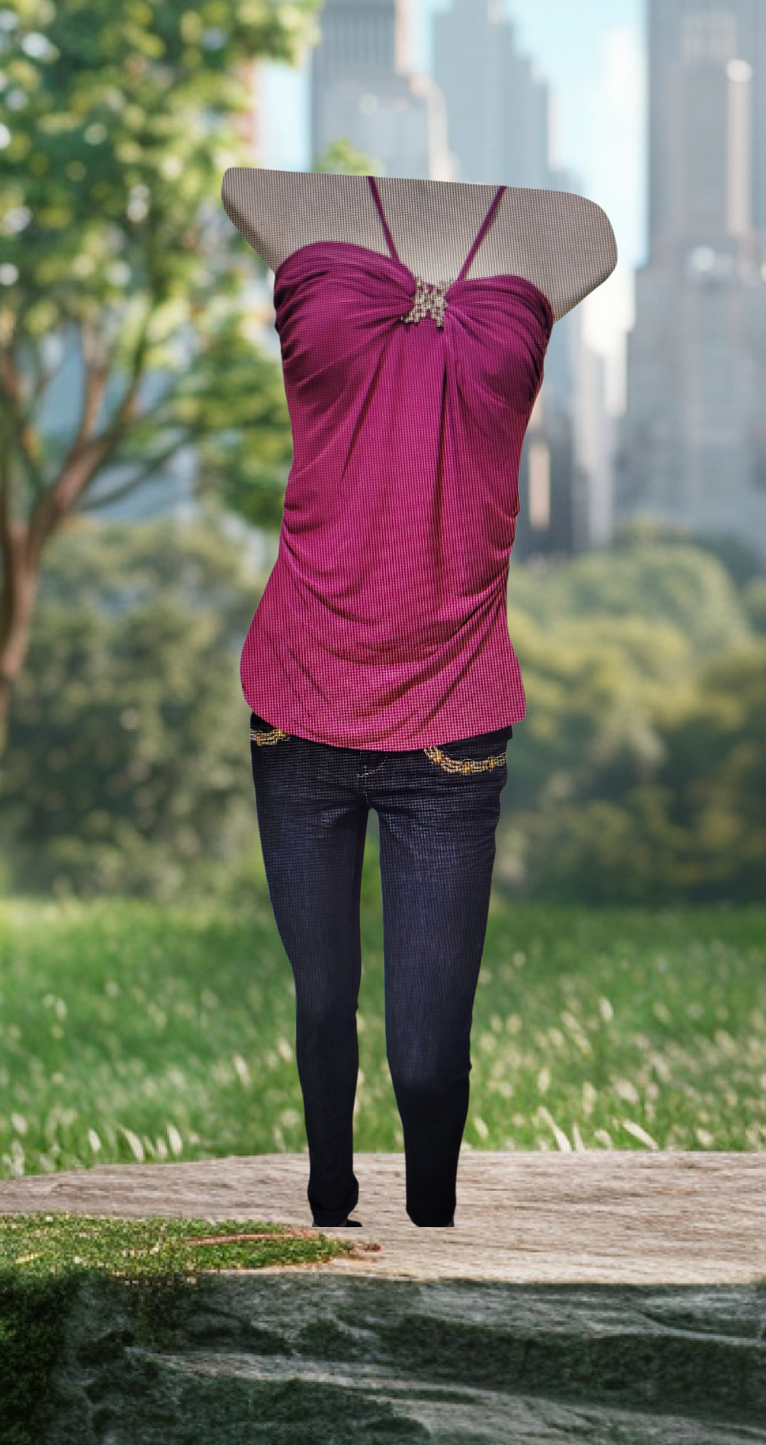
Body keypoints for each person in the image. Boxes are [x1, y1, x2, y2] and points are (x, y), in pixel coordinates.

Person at [222, 168, 616, 1228]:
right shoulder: (275, 200)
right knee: (319, 1006)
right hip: (296, 697)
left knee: (430, 1050)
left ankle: (433, 1232)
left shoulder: (569, 231)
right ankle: (329, 1210)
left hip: (452, 720)